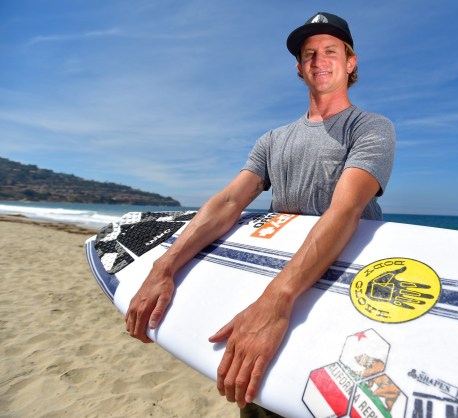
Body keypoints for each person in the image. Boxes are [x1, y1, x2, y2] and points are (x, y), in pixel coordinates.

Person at [124, 11, 395, 416]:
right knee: (260, 404)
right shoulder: (272, 140)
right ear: (300, 69)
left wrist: (276, 301)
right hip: (278, 285)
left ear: (350, 62)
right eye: (309, 54)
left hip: (336, 292)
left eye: (330, 51)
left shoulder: (370, 128)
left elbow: (345, 210)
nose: (319, 61)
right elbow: (229, 202)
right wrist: (164, 266)